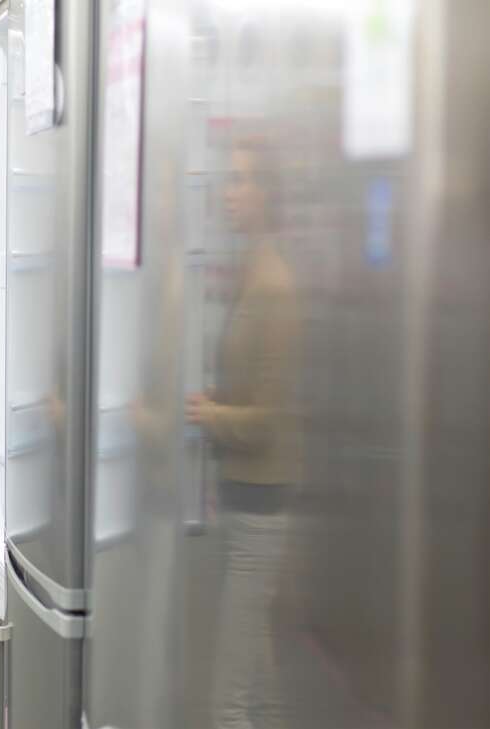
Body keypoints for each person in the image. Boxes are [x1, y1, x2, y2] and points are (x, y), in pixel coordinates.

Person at [186, 134, 301, 729]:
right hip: (240, 498)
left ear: (269, 194)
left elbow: (270, 421)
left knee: (228, 699)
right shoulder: (251, 273)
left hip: (260, 512)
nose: (230, 192)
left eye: (244, 179)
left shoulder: (273, 286)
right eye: (228, 178)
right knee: (259, 680)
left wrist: (210, 417)